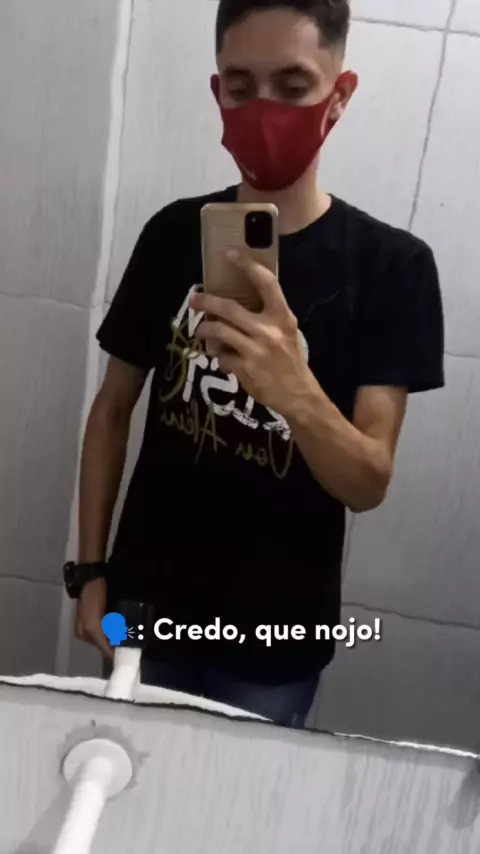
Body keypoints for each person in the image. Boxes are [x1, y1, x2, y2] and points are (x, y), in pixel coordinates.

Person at [70, 0, 444, 727]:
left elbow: (367, 482)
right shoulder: (172, 234)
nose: (264, 109)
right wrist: (88, 575)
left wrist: (294, 388)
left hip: (280, 637)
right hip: (139, 610)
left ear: (339, 95)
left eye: (293, 85)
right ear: (218, 93)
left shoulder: (392, 267)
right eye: (241, 87)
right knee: (120, 776)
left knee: (245, 797)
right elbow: (112, 409)